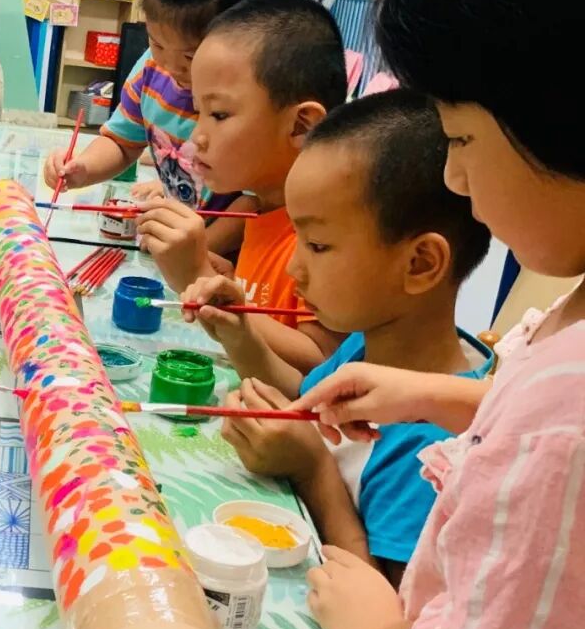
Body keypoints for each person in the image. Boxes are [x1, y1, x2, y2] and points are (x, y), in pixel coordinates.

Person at [288, 0, 585, 629]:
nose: (455, 178)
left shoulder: (566, 412)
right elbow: (537, 425)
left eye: (461, 138)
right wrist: (436, 397)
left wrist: (375, 626)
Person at [184, 91, 492, 583]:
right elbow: (307, 399)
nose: (294, 268)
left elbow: (386, 606)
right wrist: (240, 335)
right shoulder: (374, 345)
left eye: (318, 245)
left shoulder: (433, 448)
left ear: (419, 264)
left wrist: (313, 471)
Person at [138, 0, 347, 372]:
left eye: (218, 115)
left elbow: (322, 364)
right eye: (198, 113)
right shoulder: (263, 209)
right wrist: (227, 282)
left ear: (301, 125)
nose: (197, 137)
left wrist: (198, 276)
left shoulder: (329, 234)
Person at [43, 0, 269, 254]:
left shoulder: (250, 98)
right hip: (176, 250)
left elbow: (256, 201)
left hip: (228, 258)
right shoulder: (151, 69)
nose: (170, 65)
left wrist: (193, 253)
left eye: (190, 55)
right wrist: (83, 168)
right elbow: (122, 143)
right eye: (156, 43)